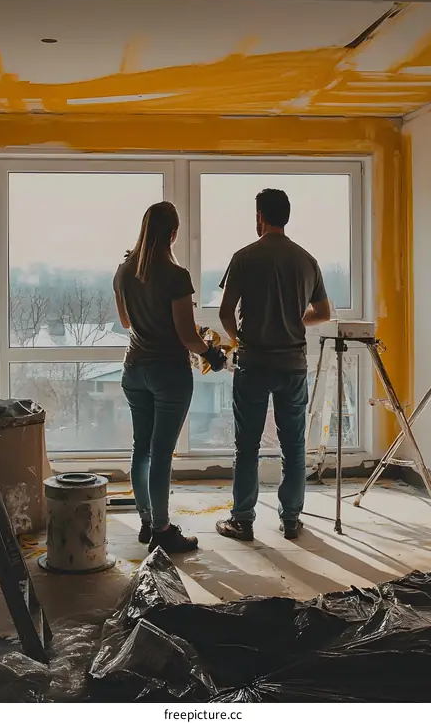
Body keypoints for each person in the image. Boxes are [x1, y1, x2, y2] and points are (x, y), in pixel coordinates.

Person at [215, 188, 331, 541]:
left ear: (260, 217)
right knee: (293, 447)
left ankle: (243, 520)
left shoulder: (244, 257)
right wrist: (294, 320)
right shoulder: (307, 260)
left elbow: (224, 312)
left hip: (254, 363)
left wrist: (240, 340)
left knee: (247, 446)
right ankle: (292, 519)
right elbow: (324, 313)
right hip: (293, 365)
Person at [114, 201, 226, 554]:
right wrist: (211, 352)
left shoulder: (123, 271)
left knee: (141, 449)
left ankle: (147, 522)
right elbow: (186, 337)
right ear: (173, 233)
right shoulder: (176, 276)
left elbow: (126, 323)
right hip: (168, 372)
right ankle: (163, 530)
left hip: (134, 369)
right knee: (162, 453)